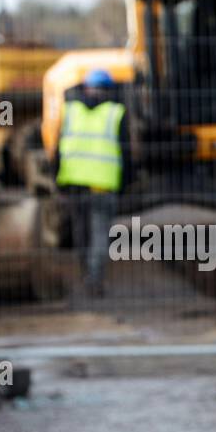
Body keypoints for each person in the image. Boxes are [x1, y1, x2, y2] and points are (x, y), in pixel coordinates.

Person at [54, 69, 132, 297]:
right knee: (99, 234)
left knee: (81, 232)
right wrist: (126, 182)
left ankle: (86, 272)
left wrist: (58, 179)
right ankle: (94, 279)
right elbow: (125, 151)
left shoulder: (71, 110)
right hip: (102, 183)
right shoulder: (115, 112)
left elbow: (59, 149)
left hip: (75, 181)